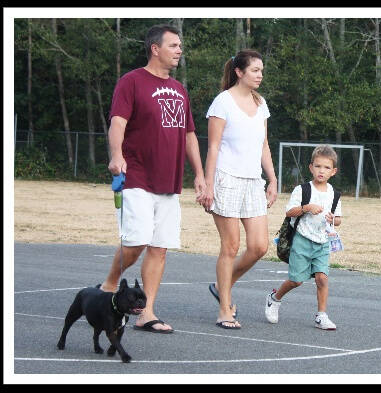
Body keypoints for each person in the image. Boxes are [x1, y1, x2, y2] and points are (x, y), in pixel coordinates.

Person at [99, 24, 207, 334]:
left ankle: (146, 311)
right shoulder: (131, 81)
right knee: (137, 241)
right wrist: (116, 155)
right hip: (136, 175)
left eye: (180, 46)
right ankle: (108, 285)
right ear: (155, 49)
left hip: (169, 180)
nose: (179, 50)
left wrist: (199, 174)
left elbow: (189, 135)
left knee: (159, 248)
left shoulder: (179, 89)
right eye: (173, 45)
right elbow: (117, 123)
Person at [200, 49, 278, 329]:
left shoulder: (261, 103)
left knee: (259, 246)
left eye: (261, 70)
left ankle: (223, 285)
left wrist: (272, 178)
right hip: (226, 179)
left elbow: (264, 145)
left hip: (253, 181)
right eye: (255, 70)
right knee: (230, 246)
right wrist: (208, 185)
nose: (260, 75)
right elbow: (213, 146)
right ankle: (224, 309)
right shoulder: (223, 103)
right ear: (239, 72)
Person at [265, 145, 342, 330]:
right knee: (296, 281)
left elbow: (338, 219)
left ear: (333, 171)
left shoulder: (334, 194)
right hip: (302, 240)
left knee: (322, 279)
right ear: (311, 168)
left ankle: (321, 315)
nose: (321, 171)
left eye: (326, 167)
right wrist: (306, 207)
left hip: (322, 242)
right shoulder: (303, 190)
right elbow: (289, 212)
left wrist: (334, 219)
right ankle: (274, 299)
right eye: (318, 166)